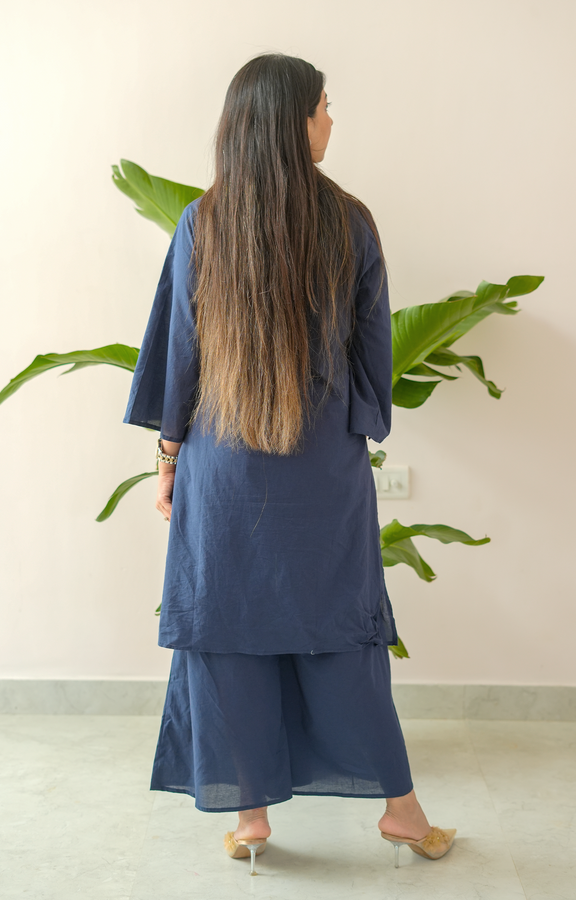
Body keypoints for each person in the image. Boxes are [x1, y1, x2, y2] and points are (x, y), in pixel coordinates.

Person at [122, 52, 455, 875]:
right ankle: (403, 815)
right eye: (324, 108)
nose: (331, 121)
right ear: (292, 122)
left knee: (227, 633)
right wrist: (356, 425)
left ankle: (251, 818)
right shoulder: (351, 221)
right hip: (321, 474)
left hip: (223, 475)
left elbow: (179, 360)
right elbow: (372, 361)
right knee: (343, 637)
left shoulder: (204, 222)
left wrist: (168, 462)